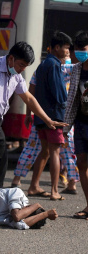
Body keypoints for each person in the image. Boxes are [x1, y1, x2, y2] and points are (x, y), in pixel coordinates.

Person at [0, 41, 68, 231]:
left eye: (25, 67)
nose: (21, 70)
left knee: (0, 163)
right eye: (20, 65)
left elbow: (28, 98)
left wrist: (48, 120)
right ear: (11, 59)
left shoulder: (16, 75)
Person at [12, 54, 79, 194]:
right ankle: (60, 188)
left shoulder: (41, 68)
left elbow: (31, 91)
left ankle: (21, 180)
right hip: (59, 117)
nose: (67, 54)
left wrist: (29, 114)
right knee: (64, 151)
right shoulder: (63, 67)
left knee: (38, 150)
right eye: (66, 50)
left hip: (41, 116)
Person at [27, 32, 72, 201]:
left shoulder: (42, 65)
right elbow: (60, 94)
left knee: (45, 151)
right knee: (54, 151)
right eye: (66, 47)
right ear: (57, 47)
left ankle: (34, 186)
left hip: (41, 116)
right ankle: (54, 190)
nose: (68, 51)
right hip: (54, 117)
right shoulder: (54, 65)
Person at [64, 31, 88, 219]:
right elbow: (72, 99)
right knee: (81, 163)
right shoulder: (77, 69)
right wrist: (65, 128)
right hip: (81, 122)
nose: (80, 53)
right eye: (78, 50)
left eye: (84, 49)